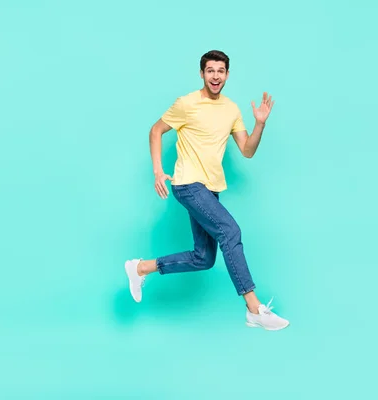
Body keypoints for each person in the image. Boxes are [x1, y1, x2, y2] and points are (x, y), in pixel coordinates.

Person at [124, 50, 289, 331]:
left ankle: (140, 268)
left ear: (227, 75)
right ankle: (254, 308)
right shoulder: (186, 104)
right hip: (188, 184)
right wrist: (157, 171)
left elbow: (247, 150)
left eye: (220, 71)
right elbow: (155, 130)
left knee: (204, 258)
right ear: (202, 73)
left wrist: (259, 124)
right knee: (230, 231)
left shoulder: (231, 109)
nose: (215, 76)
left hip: (210, 189)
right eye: (210, 70)